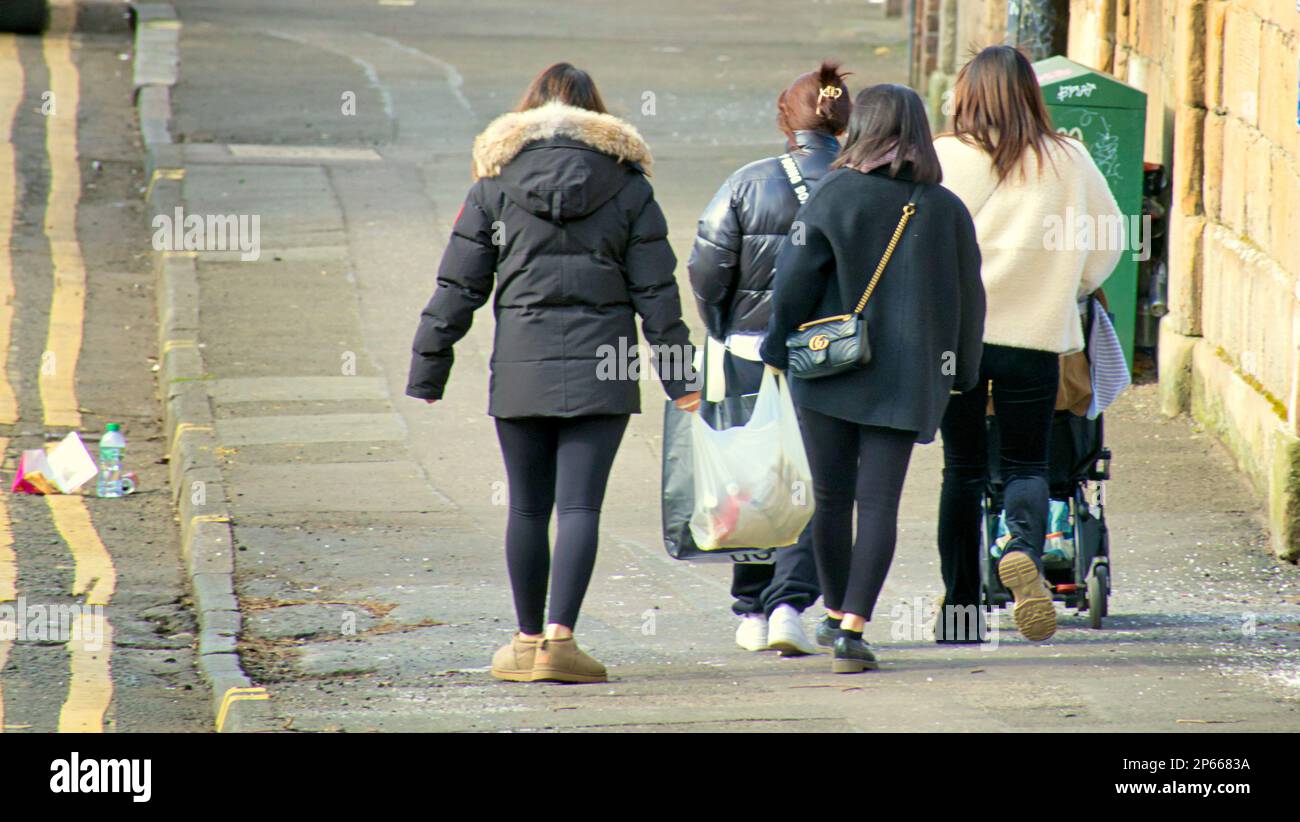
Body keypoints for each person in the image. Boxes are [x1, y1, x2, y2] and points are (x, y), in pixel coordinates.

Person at [406, 63, 699, 684]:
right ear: (598, 116)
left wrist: (429, 367)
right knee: (580, 508)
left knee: (527, 509)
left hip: (521, 369)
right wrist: (682, 377)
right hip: (604, 369)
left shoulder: (494, 185)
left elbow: (459, 285)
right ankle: (562, 643)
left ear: (526, 112)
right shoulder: (628, 187)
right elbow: (656, 291)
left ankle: (524, 642)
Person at [761, 84, 985, 673]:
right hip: (910, 378)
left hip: (830, 370)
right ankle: (854, 629)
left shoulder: (833, 195)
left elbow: (794, 281)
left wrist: (778, 346)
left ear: (862, 128)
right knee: (879, 502)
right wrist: (961, 370)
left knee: (832, 499)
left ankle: (834, 613)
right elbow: (970, 298)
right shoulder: (946, 208)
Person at [933, 45, 1122, 643]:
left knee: (962, 469)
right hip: (1038, 339)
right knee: (1028, 462)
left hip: (959, 340)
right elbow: (1108, 242)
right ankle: (1023, 549)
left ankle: (960, 611)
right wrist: (1071, 284)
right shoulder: (1069, 158)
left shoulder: (943, 158)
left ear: (967, 95)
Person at [687, 61, 851, 657]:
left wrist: (722, 326)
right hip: (830, 357)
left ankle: (751, 607)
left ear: (787, 119)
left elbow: (706, 268)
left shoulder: (746, 182)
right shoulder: (862, 183)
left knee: (748, 475)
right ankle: (791, 604)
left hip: (746, 349)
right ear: (844, 120)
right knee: (812, 481)